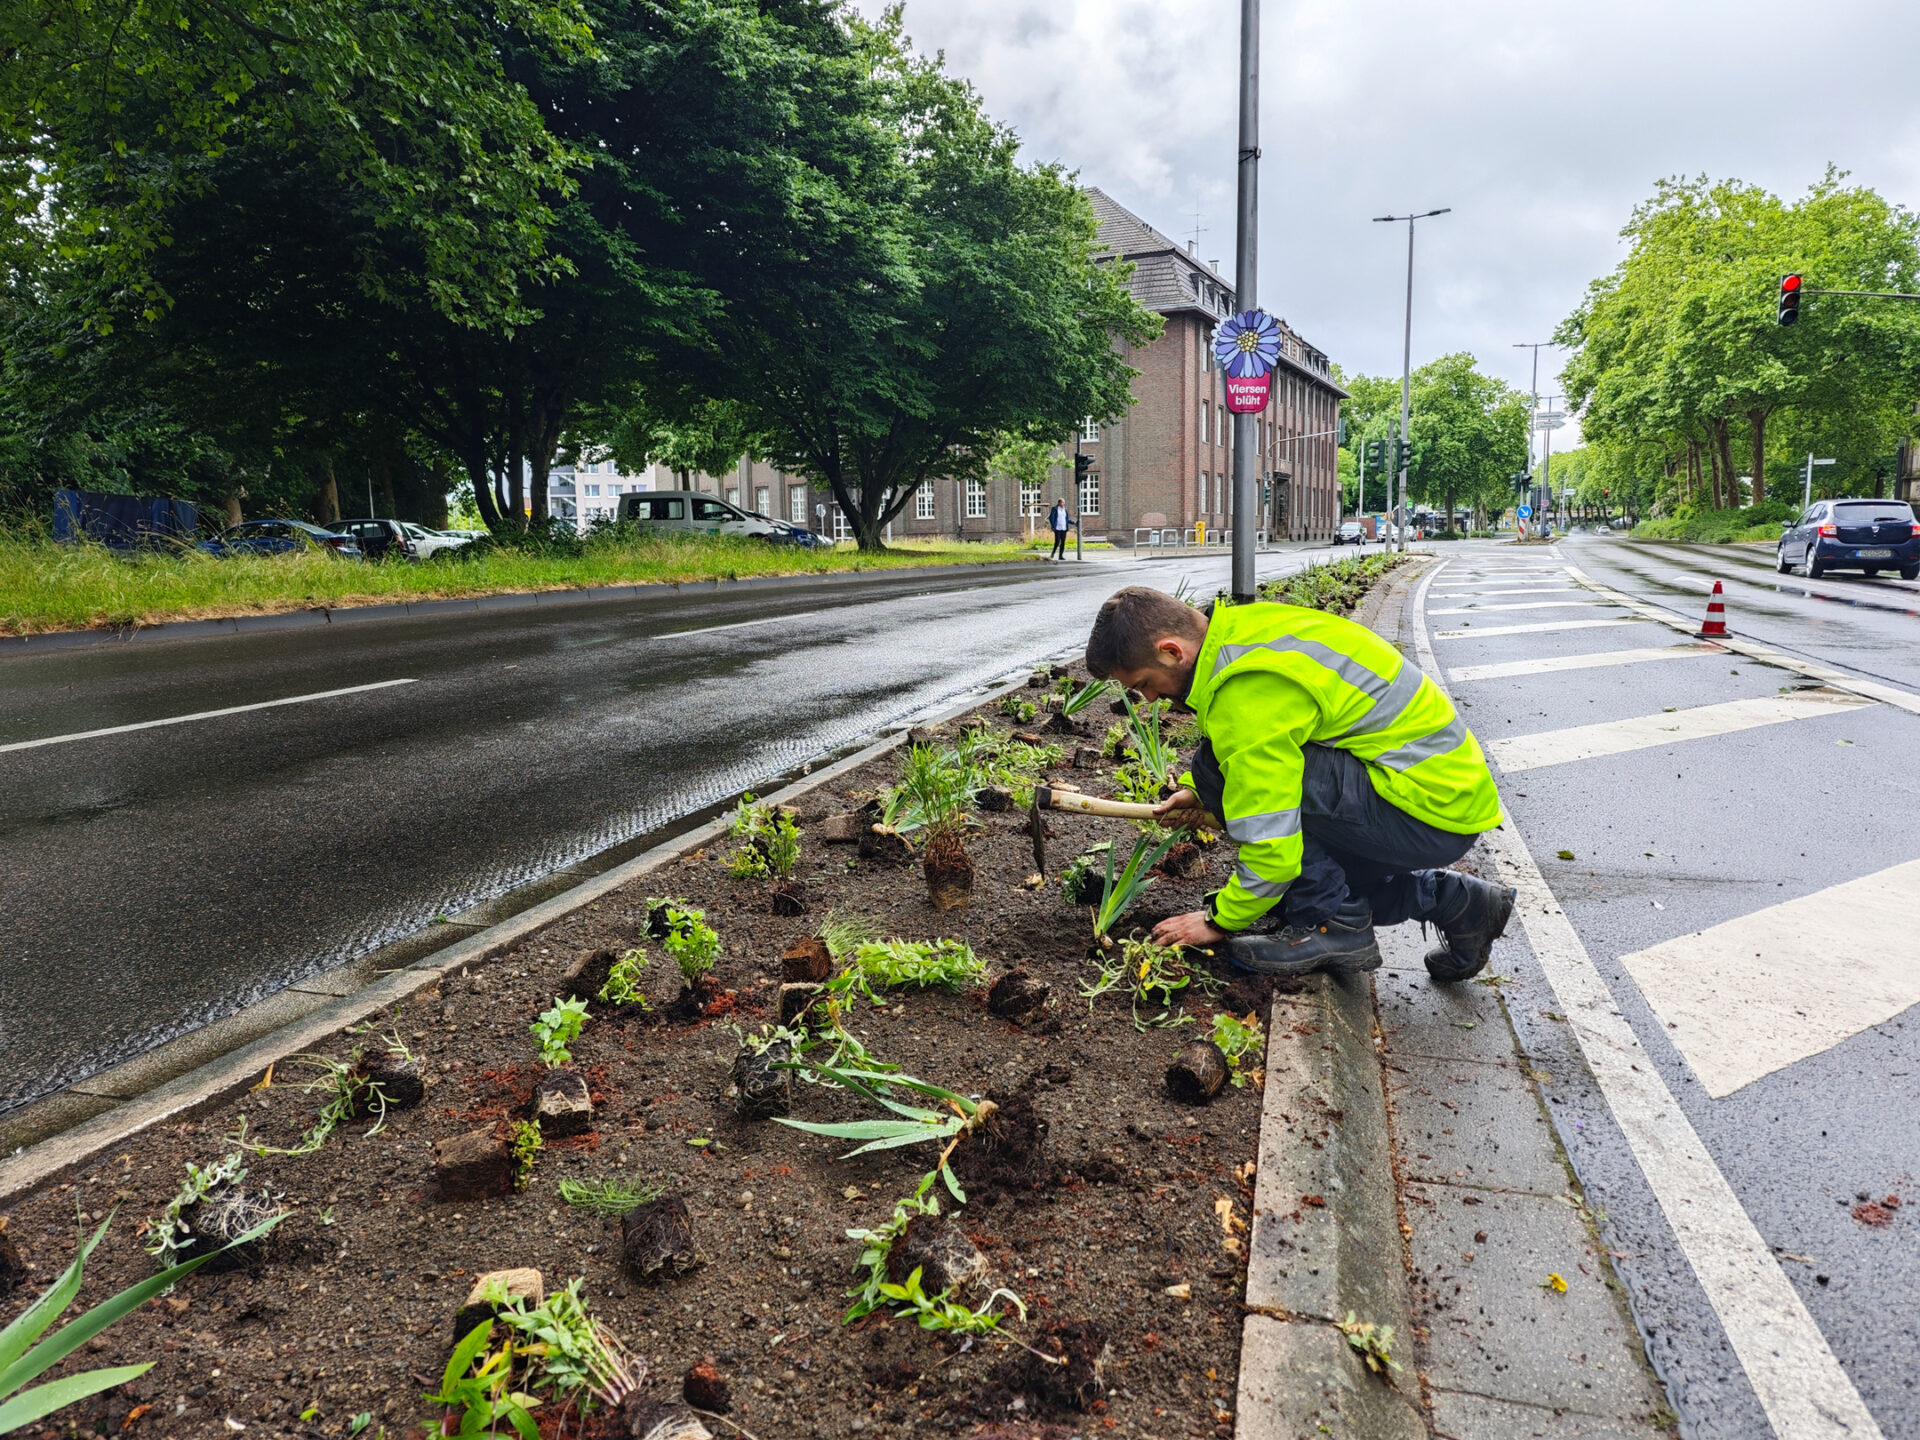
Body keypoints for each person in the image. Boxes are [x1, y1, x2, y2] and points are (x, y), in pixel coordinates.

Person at [1082, 585, 1514, 979]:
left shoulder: (1246, 689)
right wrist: (1199, 790)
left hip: (1426, 812)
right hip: (1439, 796)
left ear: (1172, 651)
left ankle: (1334, 926)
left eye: (1143, 685)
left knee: (1241, 802)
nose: (1151, 699)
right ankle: (1458, 902)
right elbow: (1269, 739)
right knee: (1287, 882)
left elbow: (1274, 848)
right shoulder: (1242, 631)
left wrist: (1219, 920)